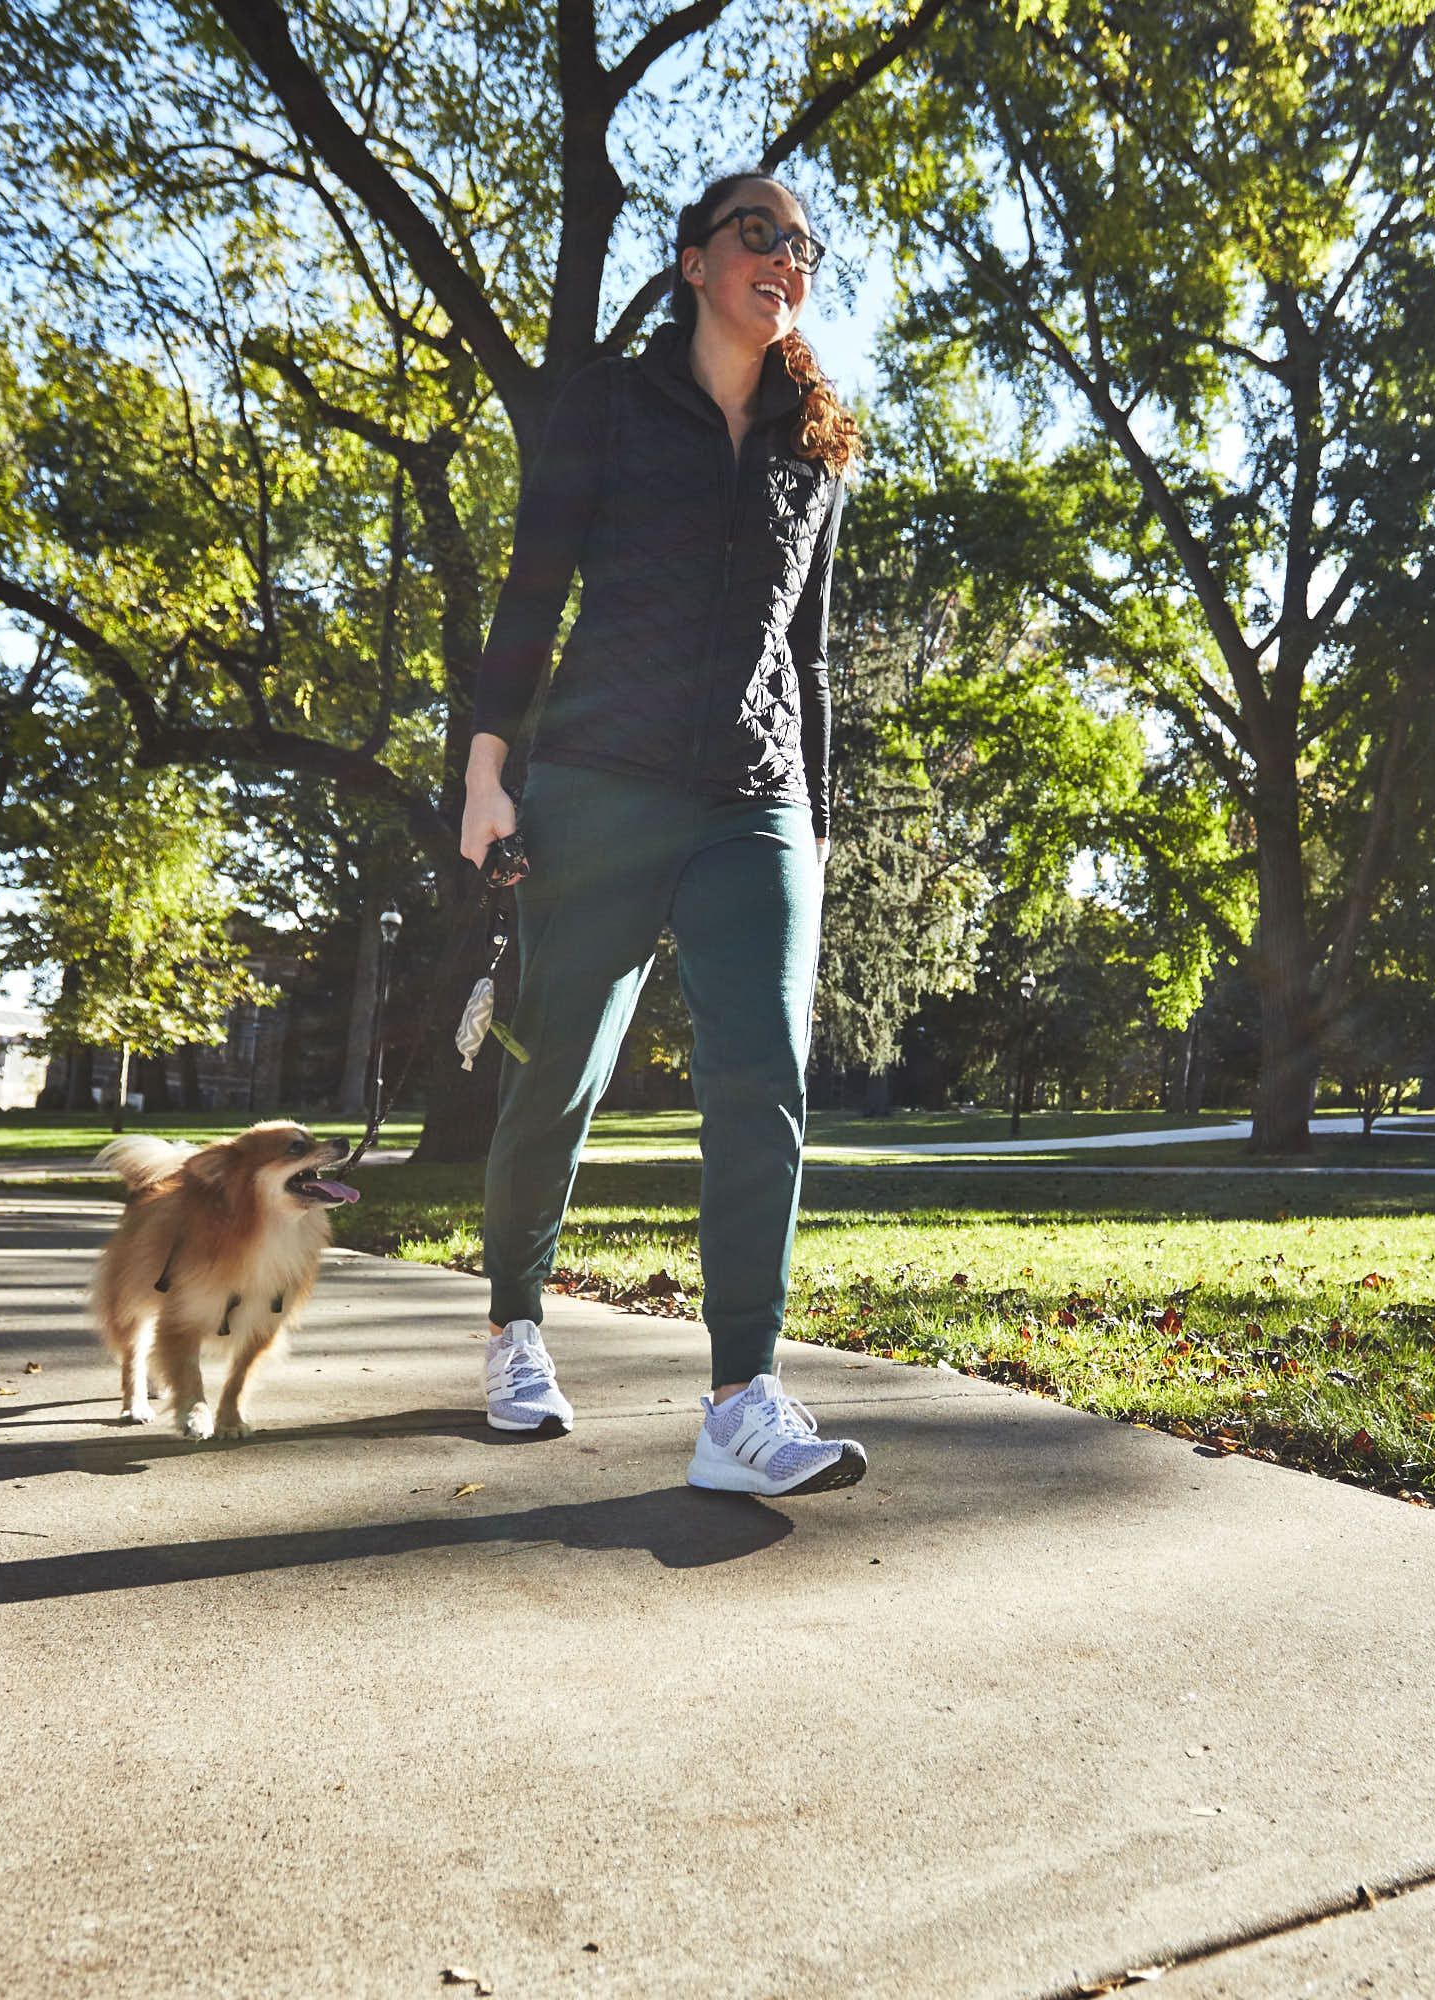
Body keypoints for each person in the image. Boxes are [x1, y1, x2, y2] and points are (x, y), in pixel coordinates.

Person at [457, 170, 867, 1497]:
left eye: (802, 245)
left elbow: (805, 660)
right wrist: (487, 772)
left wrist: (818, 824)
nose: (784, 258)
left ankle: (744, 1397)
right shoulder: (615, 405)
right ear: (694, 260)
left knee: (764, 1083)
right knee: (561, 1069)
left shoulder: (815, 448)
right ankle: (516, 1323)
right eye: (760, 233)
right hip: (601, 784)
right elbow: (533, 584)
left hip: (755, 801)